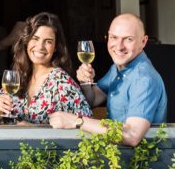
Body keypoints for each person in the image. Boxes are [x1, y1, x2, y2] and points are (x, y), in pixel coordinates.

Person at [49, 13, 167, 147]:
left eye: (128, 39)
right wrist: (85, 82)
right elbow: (94, 99)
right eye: (114, 37)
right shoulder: (118, 68)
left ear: (143, 42)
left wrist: (76, 121)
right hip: (115, 152)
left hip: (139, 158)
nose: (119, 46)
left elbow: (131, 135)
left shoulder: (143, 79)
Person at [0, 12, 90, 124]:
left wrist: (34, 129)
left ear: (55, 47)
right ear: (27, 41)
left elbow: (86, 125)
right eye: (35, 38)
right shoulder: (19, 76)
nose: (40, 46)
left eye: (48, 41)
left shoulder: (62, 82)